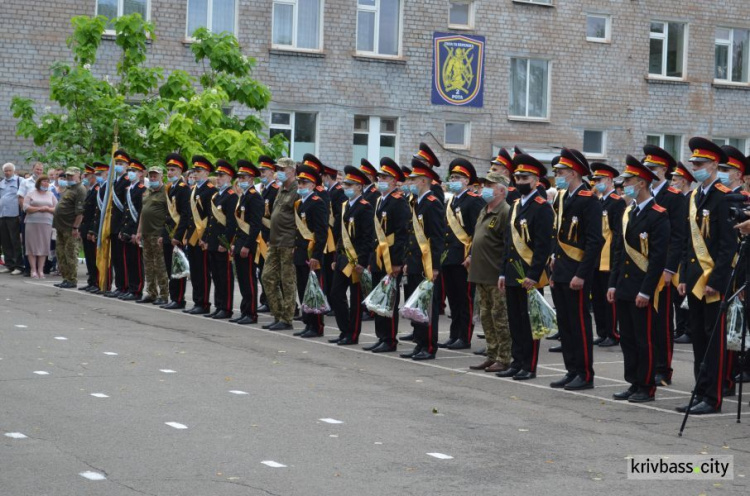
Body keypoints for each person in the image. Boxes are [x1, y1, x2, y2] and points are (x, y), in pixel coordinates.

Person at [676, 138, 736, 415]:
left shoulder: (723, 197)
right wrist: (685, 276)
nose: (696, 168)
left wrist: (716, 281)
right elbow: (689, 242)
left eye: (700, 164)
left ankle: (712, 397)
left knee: (713, 341)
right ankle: (700, 390)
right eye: (694, 164)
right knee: (699, 339)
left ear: (714, 165)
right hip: (695, 280)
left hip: (713, 282)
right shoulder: (694, 196)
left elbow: (727, 246)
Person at [608, 157, 670, 403]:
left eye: (630, 181)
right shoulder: (628, 212)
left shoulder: (658, 215)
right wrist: (612, 283)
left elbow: (657, 259)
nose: (625, 186)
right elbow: (619, 252)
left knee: (644, 340)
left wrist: (646, 291)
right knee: (629, 339)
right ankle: (633, 382)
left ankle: (646, 386)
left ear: (642, 183)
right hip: (624, 286)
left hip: (642, 289)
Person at [550, 148, 604, 390]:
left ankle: (584, 373)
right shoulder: (562, 198)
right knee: (565, 323)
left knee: (579, 323)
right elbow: (557, 233)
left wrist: (582, 274)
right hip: (561, 270)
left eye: (560, 172)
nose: (557, 175)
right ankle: (571, 370)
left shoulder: (588, 199)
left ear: (573, 173)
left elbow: (595, 241)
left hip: (577, 272)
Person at [497, 155, 554, 380]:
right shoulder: (516, 205)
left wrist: (533, 274)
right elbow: (508, 243)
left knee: (529, 322)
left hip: (529, 275)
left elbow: (543, 246)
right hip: (512, 273)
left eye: (525, 177)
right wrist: (502, 271)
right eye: (517, 176)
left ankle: (529, 366)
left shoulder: (542, 208)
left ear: (536, 179)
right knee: (515, 321)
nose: (519, 180)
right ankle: (517, 361)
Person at [642, 144, 686, 388]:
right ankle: (647, 366)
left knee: (661, 322)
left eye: (653, 168)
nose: (648, 171)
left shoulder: (674, 196)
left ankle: (663, 369)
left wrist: (670, 269)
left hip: (663, 269)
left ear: (664, 169)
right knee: (643, 322)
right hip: (642, 264)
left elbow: (678, 236)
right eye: (646, 167)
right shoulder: (644, 194)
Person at [466, 172, 512, 372]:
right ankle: (491, 354)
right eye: (484, 184)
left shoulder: (505, 211)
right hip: (480, 272)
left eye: (490, 185)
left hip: (495, 274)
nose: (485, 188)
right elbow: (478, 237)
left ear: (502, 190)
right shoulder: (485, 209)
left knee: (499, 316)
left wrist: (503, 272)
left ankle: (504, 357)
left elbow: (507, 245)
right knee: (485, 316)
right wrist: (470, 255)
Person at [400, 161, 446, 360]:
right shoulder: (418, 202)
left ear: (424, 181)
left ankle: (428, 346)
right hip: (415, 262)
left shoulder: (432, 203)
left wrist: (434, 266)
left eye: (413, 180)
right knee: (417, 306)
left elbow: (437, 237)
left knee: (428, 307)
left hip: (427, 263)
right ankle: (419, 343)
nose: (410, 183)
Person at [364, 158, 410, 353]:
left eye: (384, 177)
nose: (380, 180)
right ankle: (381, 336)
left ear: (393, 181)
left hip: (391, 257)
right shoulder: (379, 200)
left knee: (389, 298)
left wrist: (398, 262)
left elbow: (402, 234)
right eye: (379, 177)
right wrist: (370, 260)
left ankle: (390, 339)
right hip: (378, 256)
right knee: (378, 298)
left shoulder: (399, 201)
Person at [439, 158, 484, 350]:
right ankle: (454, 334)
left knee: (465, 299)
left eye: (457, 177)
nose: (453, 180)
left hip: (463, 258)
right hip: (449, 257)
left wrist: (472, 255)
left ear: (466, 181)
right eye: (452, 177)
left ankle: (464, 337)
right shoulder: (451, 201)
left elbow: (478, 231)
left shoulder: (474, 201)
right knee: (453, 299)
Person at [328, 166, 375, 344]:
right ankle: (344, 329)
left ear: (359, 187)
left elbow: (367, 237)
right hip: (342, 259)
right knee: (336, 294)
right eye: (345, 184)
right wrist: (335, 258)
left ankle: (353, 334)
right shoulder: (345, 205)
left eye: (349, 184)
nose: (345, 187)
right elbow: (341, 235)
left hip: (356, 260)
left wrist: (362, 261)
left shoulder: (365, 208)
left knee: (355, 300)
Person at [589, 163, 626, 348]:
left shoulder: (617, 202)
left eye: (600, 180)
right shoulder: (600, 201)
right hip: (596, 258)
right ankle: (602, 332)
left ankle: (612, 333)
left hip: (609, 258)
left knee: (608, 298)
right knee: (597, 297)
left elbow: (618, 232)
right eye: (595, 180)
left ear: (610, 180)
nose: (597, 183)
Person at [261, 158, 299, 330]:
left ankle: (287, 318)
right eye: (277, 169)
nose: (279, 172)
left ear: (292, 170)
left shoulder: (297, 190)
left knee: (287, 281)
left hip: (288, 242)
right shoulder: (281, 189)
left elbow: (299, 220)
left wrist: (296, 244)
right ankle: (277, 314)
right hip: (275, 241)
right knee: (267, 277)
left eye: (282, 169)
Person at [293, 165, 329, 338]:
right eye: (299, 182)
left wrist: (316, 256)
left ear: (313, 185)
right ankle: (308, 322)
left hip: (311, 255)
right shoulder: (301, 204)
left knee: (314, 290)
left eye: (304, 182)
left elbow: (321, 233)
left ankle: (317, 325)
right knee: (302, 289)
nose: (300, 185)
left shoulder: (317, 203)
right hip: (300, 253)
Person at [201, 160, 239, 320]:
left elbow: (232, 223)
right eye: (217, 175)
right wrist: (205, 238)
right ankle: (218, 305)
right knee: (216, 276)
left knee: (225, 277)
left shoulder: (231, 196)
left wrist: (226, 243)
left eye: (222, 175)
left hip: (222, 244)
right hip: (213, 242)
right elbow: (211, 221)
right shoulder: (217, 196)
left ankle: (226, 307)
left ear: (229, 177)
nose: (218, 178)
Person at [230, 160, 264, 325]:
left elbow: (256, 225)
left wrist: (247, 246)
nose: (240, 180)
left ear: (251, 179)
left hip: (247, 245)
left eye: (243, 177)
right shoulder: (244, 196)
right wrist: (235, 243)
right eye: (239, 177)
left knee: (249, 279)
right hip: (240, 243)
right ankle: (244, 311)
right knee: (242, 280)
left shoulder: (254, 197)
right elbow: (239, 224)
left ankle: (251, 313)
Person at [182, 156, 217, 315]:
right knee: (195, 271)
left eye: (199, 171)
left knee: (203, 271)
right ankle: (197, 300)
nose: (195, 174)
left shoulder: (210, 190)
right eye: (194, 171)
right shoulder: (194, 188)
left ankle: (203, 303)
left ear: (207, 172)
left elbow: (211, 216)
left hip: (202, 236)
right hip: (192, 235)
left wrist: (206, 238)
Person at [134, 166, 169, 305]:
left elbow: (169, 214)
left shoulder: (165, 192)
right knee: (148, 265)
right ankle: (151, 292)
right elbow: (143, 212)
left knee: (160, 265)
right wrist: (139, 231)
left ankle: (164, 294)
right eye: (151, 176)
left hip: (157, 233)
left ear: (161, 176)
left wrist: (164, 233)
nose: (153, 178)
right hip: (146, 234)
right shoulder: (147, 192)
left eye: (156, 176)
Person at [161, 154, 191, 310]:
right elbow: (167, 215)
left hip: (177, 235)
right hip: (168, 233)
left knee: (177, 268)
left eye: (172, 170)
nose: (169, 173)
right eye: (168, 170)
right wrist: (163, 234)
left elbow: (185, 215)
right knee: (169, 267)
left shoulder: (183, 189)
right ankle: (173, 297)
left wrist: (178, 236)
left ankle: (179, 299)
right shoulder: (170, 188)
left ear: (180, 170)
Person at [670, 162, 695, 345]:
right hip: (679, 253)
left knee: (685, 295)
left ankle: (687, 329)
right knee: (678, 296)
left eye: (675, 179)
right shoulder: (680, 199)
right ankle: (680, 328)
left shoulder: (689, 198)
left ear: (684, 181)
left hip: (688, 253)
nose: (672, 182)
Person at [52, 167, 86, 288]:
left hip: (70, 228)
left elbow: (80, 212)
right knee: (61, 254)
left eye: (72, 176)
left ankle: (71, 279)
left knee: (70, 254)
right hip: (61, 227)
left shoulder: (80, 189)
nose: (69, 178)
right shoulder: (69, 188)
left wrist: (75, 227)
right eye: (67, 176)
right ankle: (66, 278)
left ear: (79, 176)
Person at [118, 158, 146, 301]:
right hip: (127, 230)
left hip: (134, 231)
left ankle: (137, 290)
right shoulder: (128, 189)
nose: (131, 173)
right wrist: (122, 229)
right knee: (128, 261)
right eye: (129, 170)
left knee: (136, 262)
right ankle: (130, 287)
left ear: (141, 174)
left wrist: (136, 232)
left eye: (134, 171)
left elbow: (140, 212)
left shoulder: (142, 190)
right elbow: (126, 211)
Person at [22, 174, 57, 278]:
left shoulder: (51, 194)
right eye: (44, 181)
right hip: (32, 223)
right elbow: (25, 207)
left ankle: (41, 270)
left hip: (46, 223)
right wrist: (39, 209)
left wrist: (47, 209)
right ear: (39, 183)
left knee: (43, 246)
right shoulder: (31, 193)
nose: (46, 183)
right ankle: (33, 269)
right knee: (32, 246)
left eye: (47, 181)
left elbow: (56, 208)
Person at [256, 156, 279, 313]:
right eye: (260, 171)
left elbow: (276, 217)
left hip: (271, 237)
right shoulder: (264, 190)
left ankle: (275, 302)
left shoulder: (275, 190)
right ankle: (267, 300)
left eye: (264, 171)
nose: (261, 174)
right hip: (262, 237)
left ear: (272, 172)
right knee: (262, 270)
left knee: (273, 273)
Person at [321, 164, 346, 303]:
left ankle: (332, 301)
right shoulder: (330, 191)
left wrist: (335, 235)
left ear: (327, 176)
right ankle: (329, 300)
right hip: (329, 236)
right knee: (327, 270)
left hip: (333, 237)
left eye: (323, 176)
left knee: (331, 270)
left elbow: (338, 217)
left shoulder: (338, 192)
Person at [77, 164, 99, 291]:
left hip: (91, 228)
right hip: (86, 228)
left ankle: (95, 281)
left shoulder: (97, 190)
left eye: (86, 175)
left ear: (93, 176)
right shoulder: (90, 190)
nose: (84, 177)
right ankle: (91, 280)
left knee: (93, 256)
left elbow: (95, 213)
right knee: (89, 257)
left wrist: (91, 230)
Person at [0, 163, 23, 274]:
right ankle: (9, 265)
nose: (7, 172)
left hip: (14, 215)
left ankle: (18, 265)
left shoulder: (20, 181)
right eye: (5, 171)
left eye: (9, 170)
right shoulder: (2, 183)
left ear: (13, 171)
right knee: (5, 241)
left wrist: (21, 214)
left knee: (15, 241)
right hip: (2, 215)